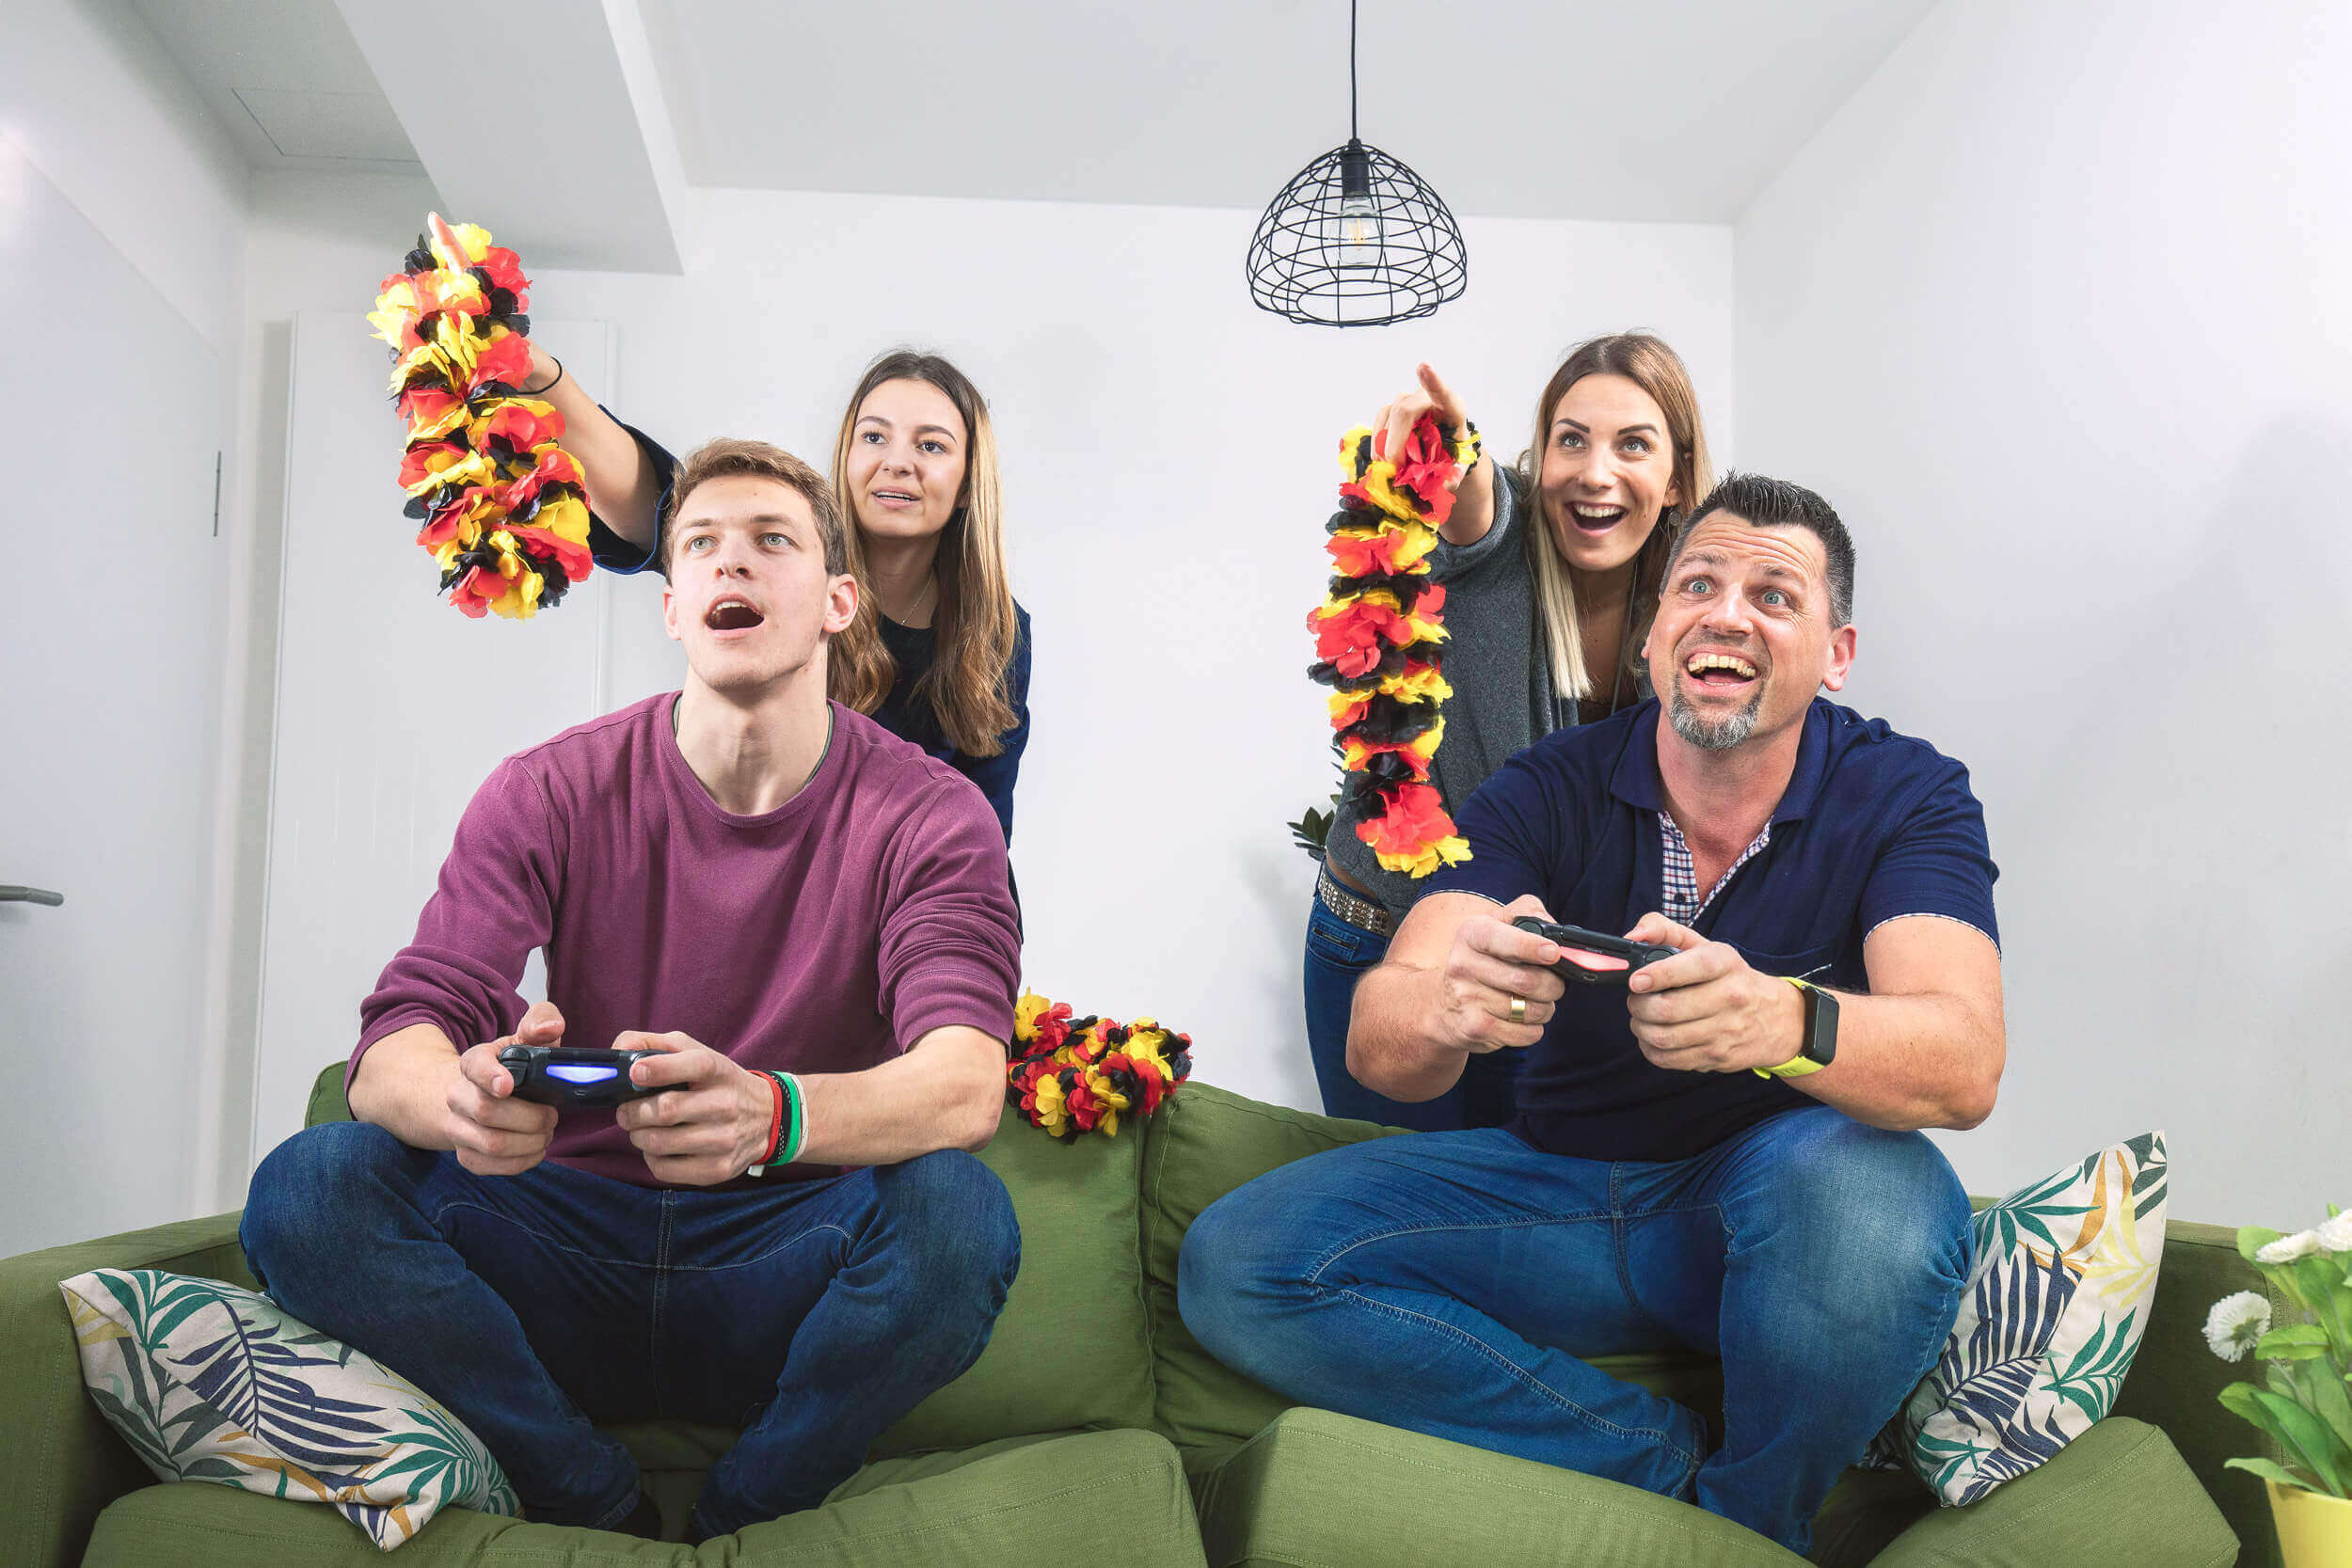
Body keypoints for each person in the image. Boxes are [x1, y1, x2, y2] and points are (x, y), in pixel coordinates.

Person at [1185, 475, 2002, 1555]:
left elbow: (1964, 1062)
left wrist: (1781, 1021)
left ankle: (1757, 1523)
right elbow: (1381, 1038)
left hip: (1771, 1206)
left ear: (1835, 653)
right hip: (1557, 1196)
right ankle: (1667, 1472)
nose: (1724, 613)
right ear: (1657, 632)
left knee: (1874, 1194)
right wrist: (1450, 1000)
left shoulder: (1905, 793)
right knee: (1240, 1259)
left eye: (1773, 595)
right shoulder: (1546, 786)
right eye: (1697, 585)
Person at [239, 439, 1025, 1544]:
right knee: (311, 1184)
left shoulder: (933, 815)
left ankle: (746, 1512)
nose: (730, 562)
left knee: (961, 1213)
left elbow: (965, 1081)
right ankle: (585, 1493)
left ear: (839, 602)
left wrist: (773, 1112)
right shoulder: (546, 788)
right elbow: (400, 1035)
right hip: (557, 1245)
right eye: (700, 544)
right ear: (671, 607)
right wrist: (463, 1100)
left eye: (771, 540)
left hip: (783, 1256)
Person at [1307, 334, 1714, 1130]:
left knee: (1511, 1189)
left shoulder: (1691, 606)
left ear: (1675, 479)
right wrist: (1446, 445)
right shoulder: (1499, 543)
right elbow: (1473, 503)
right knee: (1388, 1187)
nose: (1595, 472)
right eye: (1573, 440)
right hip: (1379, 948)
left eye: (1633, 444)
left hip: (1534, 965)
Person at [523, 343, 1032, 844]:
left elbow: (984, 832)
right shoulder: (780, 559)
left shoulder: (999, 632)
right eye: (874, 436)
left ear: (968, 481)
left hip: (908, 883)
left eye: (931, 446)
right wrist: (538, 375)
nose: (897, 462)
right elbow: (659, 502)